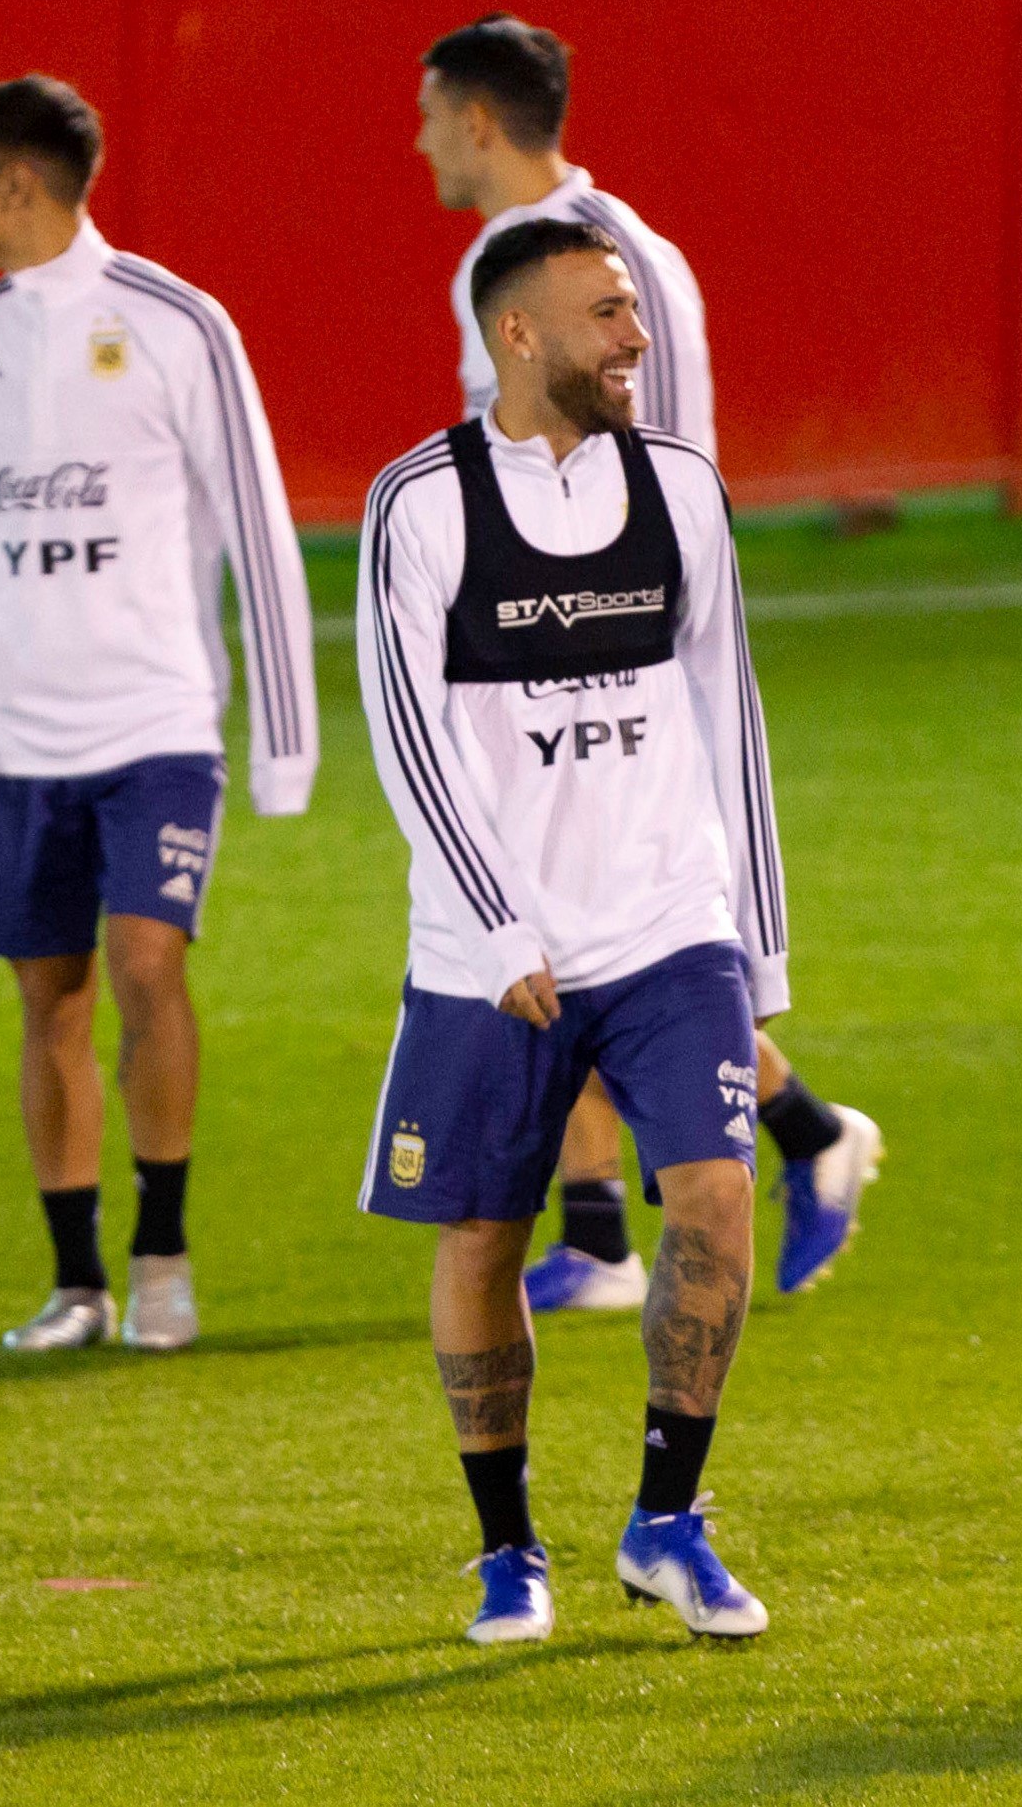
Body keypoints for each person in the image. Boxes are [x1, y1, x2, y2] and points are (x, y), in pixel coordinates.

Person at [0, 75, 318, 1354]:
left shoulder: (177, 323)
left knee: (148, 965)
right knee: (46, 994)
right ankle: (76, 1280)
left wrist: (284, 739)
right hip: (12, 738)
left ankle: (163, 1250)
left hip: (156, 724)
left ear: (17, 181)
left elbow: (259, 531)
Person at [413, 13, 882, 1309]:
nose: (418, 142)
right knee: (542, 913)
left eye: (427, 115)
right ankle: (612, 1231)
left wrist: (620, 633)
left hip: (626, 656)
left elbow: (659, 471)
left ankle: (791, 1139)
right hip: (531, 649)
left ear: (479, 122)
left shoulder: (619, 264)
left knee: (615, 944)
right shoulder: (507, 262)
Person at [358, 217, 784, 1643]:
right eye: (606, 313)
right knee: (482, 1232)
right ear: (518, 333)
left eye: (636, 310)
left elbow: (733, 719)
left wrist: (759, 949)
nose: (635, 337)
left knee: (715, 1199)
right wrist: (494, 923)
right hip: (495, 953)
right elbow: (407, 737)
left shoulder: (680, 490)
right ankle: (504, 1548)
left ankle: (669, 1519)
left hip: (670, 929)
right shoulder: (419, 503)